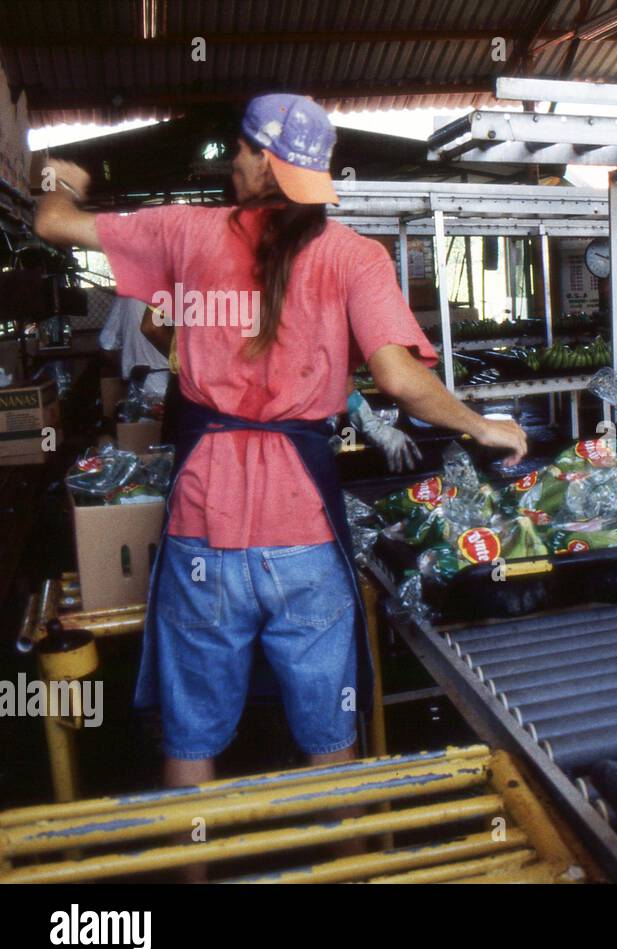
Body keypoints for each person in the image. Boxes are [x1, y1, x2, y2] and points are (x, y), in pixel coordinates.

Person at [34, 93, 528, 798]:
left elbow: (52, 223)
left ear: (264, 161)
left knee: (190, 735)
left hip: (204, 529)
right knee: (330, 732)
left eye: (239, 148)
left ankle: (191, 873)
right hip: (304, 535)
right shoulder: (353, 256)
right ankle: (347, 866)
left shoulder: (183, 230)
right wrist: (483, 426)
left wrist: (63, 179)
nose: (232, 160)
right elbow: (398, 377)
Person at [99, 295, 170, 398]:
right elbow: (152, 328)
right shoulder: (182, 290)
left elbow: (107, 345)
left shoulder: (127, 295)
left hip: (138, 387)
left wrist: (130, 366)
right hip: (177, 389)